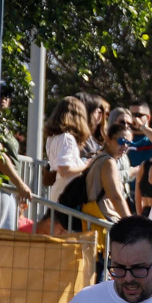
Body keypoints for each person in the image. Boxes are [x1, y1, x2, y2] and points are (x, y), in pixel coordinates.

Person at [43, 95, 91, 233]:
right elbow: (65, 169)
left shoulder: (52, 138)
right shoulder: (67, 139)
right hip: (68, 192)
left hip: (58, 190)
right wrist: (86, 165)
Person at [83, 122, 133, 225]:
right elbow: (115, 197)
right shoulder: (108, 162)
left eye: (129, 143)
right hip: (103, 219)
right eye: (121, 141)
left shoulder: (100, 158)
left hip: (97, 217)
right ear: (107, 139)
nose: (125, 146)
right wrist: (131, 224)